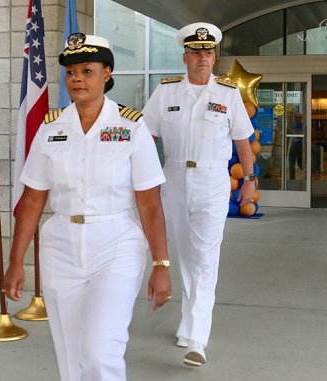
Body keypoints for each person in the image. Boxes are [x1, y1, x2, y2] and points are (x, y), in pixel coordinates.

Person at [3, 33, 172, 381]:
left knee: (100, 350)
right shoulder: (51, 128)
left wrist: (161, 263)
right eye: (70, 72)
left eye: (86, 71)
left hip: (115, 243)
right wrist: (16, 262)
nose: (76, 79)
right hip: (60, 244)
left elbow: (150, 204)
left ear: (106, 74)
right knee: (70, 353)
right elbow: (34, 199)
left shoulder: (130, 127)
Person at [142, 22, 255, 367]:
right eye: (196, 52)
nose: (202, 57)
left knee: (206, 257)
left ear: (214, 56)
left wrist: (250, 178)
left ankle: (198, 338)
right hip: (173, 177)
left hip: (212, 180)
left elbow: (242, 142)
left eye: (207, 52)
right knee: (184, 254)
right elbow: (147, 139)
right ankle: (188, 323)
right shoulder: (166, 92)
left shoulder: (228, 93)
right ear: (185, 56)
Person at [288, 111, 304, 180]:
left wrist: (298, 133)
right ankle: (292, 178)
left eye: (299, 117)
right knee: (291, 162)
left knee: (301, 163)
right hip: (293, 145)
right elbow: (289, 131)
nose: (298, 118)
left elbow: (303, 133)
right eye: (297, 117)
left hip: (301, 146)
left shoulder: (303, 125)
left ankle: (305, 177)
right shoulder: (293, 125)